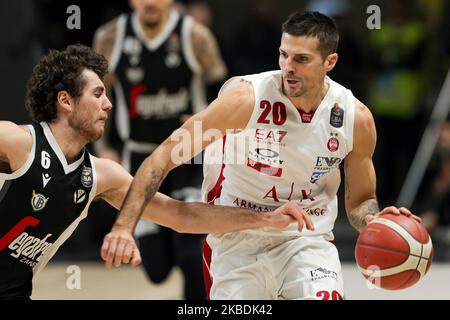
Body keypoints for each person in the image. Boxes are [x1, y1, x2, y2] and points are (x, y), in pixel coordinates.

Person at [104, 11, 422, 300]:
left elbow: (361, 200)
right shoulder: (244, 101)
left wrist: (373, 219)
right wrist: (123, 227)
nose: (288, 67)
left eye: (301, 59)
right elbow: (161, 159)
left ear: (330, 62)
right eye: (283, 55)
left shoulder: (355, 118)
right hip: (235, 241)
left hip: (306, 242)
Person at [0, 43, 315, 300]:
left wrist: (265, 218)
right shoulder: (16, 143)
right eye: (97, 94)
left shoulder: (101, 176)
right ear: (65, 101)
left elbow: (182, 216)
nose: (108, 105)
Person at [92, 0, 227, 299]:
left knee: (192, 254)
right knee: (156, 268)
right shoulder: (110, 37)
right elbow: (98, 95)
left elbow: (224, 88)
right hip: (140, 156)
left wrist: (207, 115)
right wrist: (104, 146)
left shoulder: (195, 35)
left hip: (188, 155)